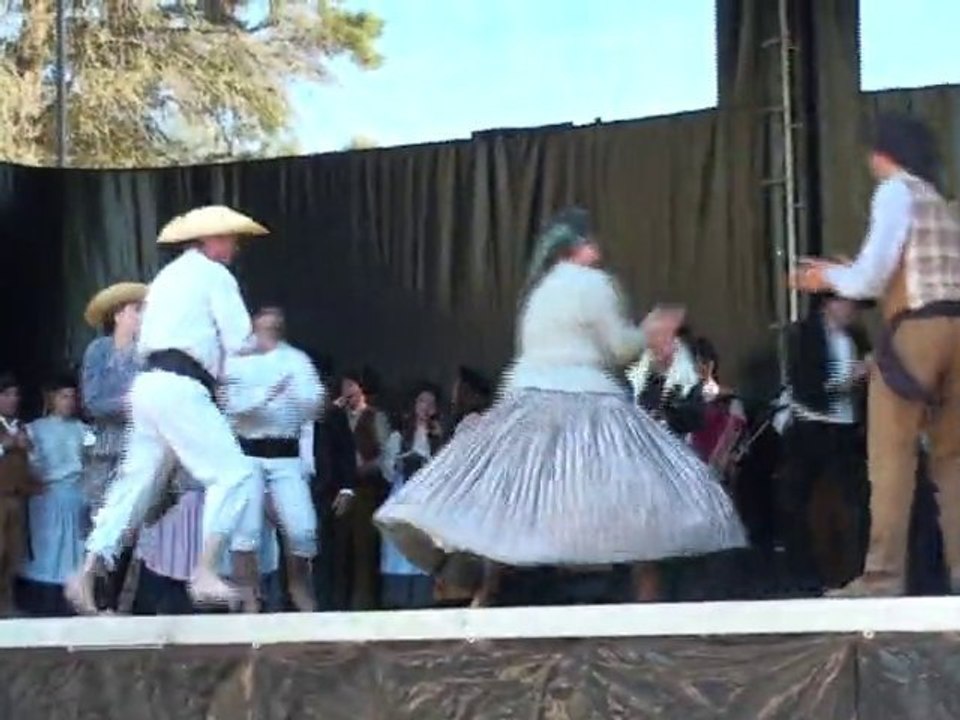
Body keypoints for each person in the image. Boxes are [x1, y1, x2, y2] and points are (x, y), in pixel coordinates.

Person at [375, 207, 746, 606]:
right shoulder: (594, 285)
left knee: (515, 509)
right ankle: (644, 617)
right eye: (590, 242)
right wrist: (652, 331)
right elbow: (619, 348)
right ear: (578, 247)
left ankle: (482, 603)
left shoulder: (538, 293)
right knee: (639, 510)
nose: (596, 250)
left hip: (528, 405)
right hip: (586, 402)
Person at [66, 205, 272, 614]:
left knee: (136, 482)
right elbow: (238, 339)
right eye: (228, 239)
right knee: (233, 473)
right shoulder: (214, 275)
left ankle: (87, 569)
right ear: (210, 240)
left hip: (149, 386)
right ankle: (207, 571)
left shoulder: (164, 279)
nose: (233, 247)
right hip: (181, 386)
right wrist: (261, 351)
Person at [791, 114, 960, 596]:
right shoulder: (942, 206)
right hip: (958, 328)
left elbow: (870, 276)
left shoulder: (895, 192)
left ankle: (883, 577)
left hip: (916, 332)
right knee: (952, 459)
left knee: (890, 453)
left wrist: (824, 277)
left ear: (884, 152)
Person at [222, 306, 324, 612]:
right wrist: (268, 394)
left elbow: (314, 404)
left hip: (286, 454)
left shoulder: (296, 360)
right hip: (248, 452)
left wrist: (300, 399)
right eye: (264, 325)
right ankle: (249, 598)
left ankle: (298, 586)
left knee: (303, 528)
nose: (269, 330)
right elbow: (232, 406)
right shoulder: (236, 361)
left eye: (275, 325)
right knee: (245, 531)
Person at [779, 293, 870, 592]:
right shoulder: (805, 336)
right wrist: (848, 379)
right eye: (850, 304)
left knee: (853, 500)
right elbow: (806, 386)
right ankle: (802, 576)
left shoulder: (856, 336)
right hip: (811, 426)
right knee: (799, 503)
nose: (854, 312)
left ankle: (854, 569)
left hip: (846, 428)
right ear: (830, 303)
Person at [79, 280, 147, 611]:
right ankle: (95, 596)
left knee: (134, 529)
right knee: (101, 521)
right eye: (137, 310)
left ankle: (120, 603)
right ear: (119, 315)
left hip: (140, 447)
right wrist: (133, 402)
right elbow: (92, 402)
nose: (142, 317)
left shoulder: (149, 353)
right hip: (106, 450)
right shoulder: (98, 351)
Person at [17, 376, 90, 616]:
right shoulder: (34, 429)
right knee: (46, 550)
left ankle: (70, 598)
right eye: (63, 396)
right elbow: (28, 466)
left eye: (72, 397)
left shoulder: (83, 431)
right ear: (51, 398)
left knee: (72, 552)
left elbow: (91, 465)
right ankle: (38, 601)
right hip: (46, 498)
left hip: (75, 496)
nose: (69, 402)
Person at [379, 384, 445, 609]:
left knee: (424, 548)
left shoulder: (439, 437)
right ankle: (397, 600)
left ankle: (423, 599)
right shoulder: (399, 436)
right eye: (421, 401)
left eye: (430, 403)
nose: (426, 407)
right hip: (403, 495)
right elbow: (387, 469)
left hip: (428, 500)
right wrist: (400, 462)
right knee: (400, 548)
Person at [0, 374, 40, 616]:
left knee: (12, 555)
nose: (12, 400)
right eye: (6, 394)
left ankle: (6, 605)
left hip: (17, 498)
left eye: (15, 394)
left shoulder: (22, 427)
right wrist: (7, 445)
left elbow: (33, 461)